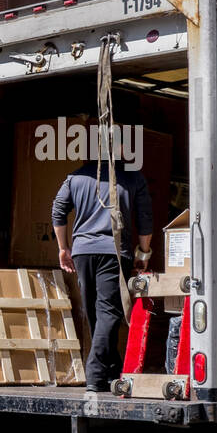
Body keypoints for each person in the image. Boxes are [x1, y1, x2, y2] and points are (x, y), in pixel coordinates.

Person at [51, 157, 153, 392]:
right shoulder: (132, 176)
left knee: (97, 313)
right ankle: (95, 375)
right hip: (114, 253)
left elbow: (58, 210)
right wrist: (144, 253)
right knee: (108, 313)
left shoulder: (75, 177)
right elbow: (145, 218)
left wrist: (63, 248)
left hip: (83, 252)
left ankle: (112, 368)